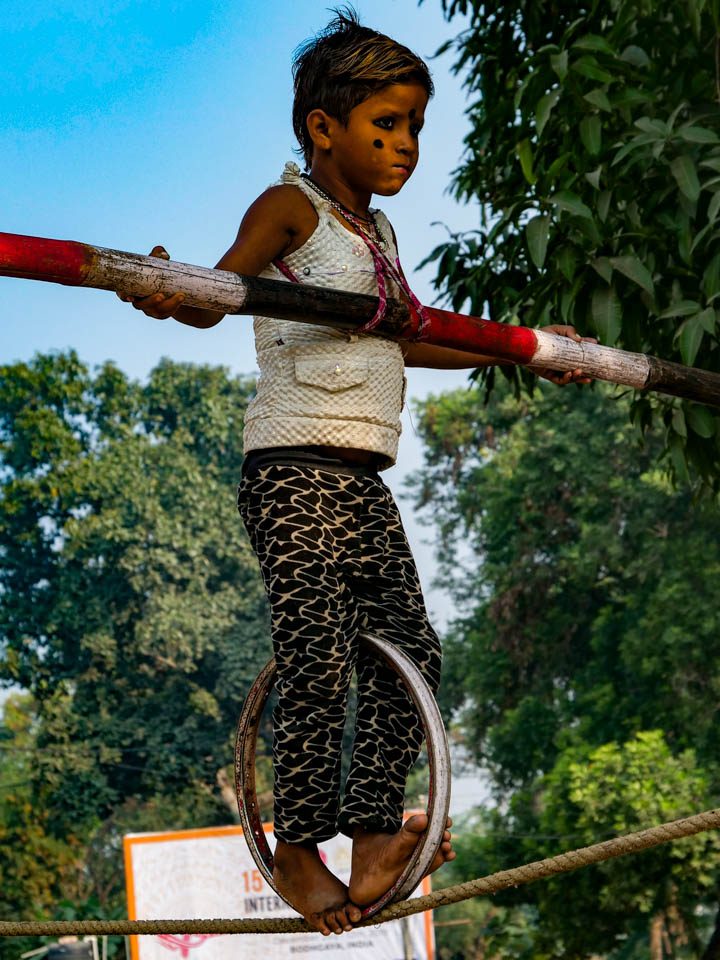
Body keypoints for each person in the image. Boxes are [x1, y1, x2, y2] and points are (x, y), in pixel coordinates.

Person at [124, 8, 593, 936]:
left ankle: (375, 827)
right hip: (292, 468)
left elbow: (408, 340)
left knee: (412, 646)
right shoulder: (289, 208)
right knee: (318, 651)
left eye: (414, 125)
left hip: (362, 478)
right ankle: (298, 844)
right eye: (386, 124)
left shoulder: (376, 234)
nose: (405, 143)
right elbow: (218, 296)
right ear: (323, 126)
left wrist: (524, 353)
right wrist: (165, 291)